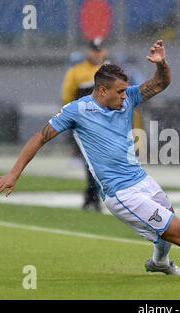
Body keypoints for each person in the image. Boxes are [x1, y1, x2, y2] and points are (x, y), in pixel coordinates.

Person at [0, 40, 180, 280]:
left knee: (168, 216)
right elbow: (40, 136)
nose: (123, 97)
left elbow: (161, 83)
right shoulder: (77, 111)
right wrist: (14, 174)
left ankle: (159, 262)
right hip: (121, 193)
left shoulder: (127, 97)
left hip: (141, 180)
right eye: (117, 92)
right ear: (101, 90)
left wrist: (161, 64)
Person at [61, 37, 109, 212]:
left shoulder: (110, 70)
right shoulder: (77, 71)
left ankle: (91, 195)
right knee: (91, 161)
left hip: (105, 124)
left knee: (97, 162)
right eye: (94, 50)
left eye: (100, 50)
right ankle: (93, 195)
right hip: (85, 123)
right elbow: (67, 96)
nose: (97, 53)